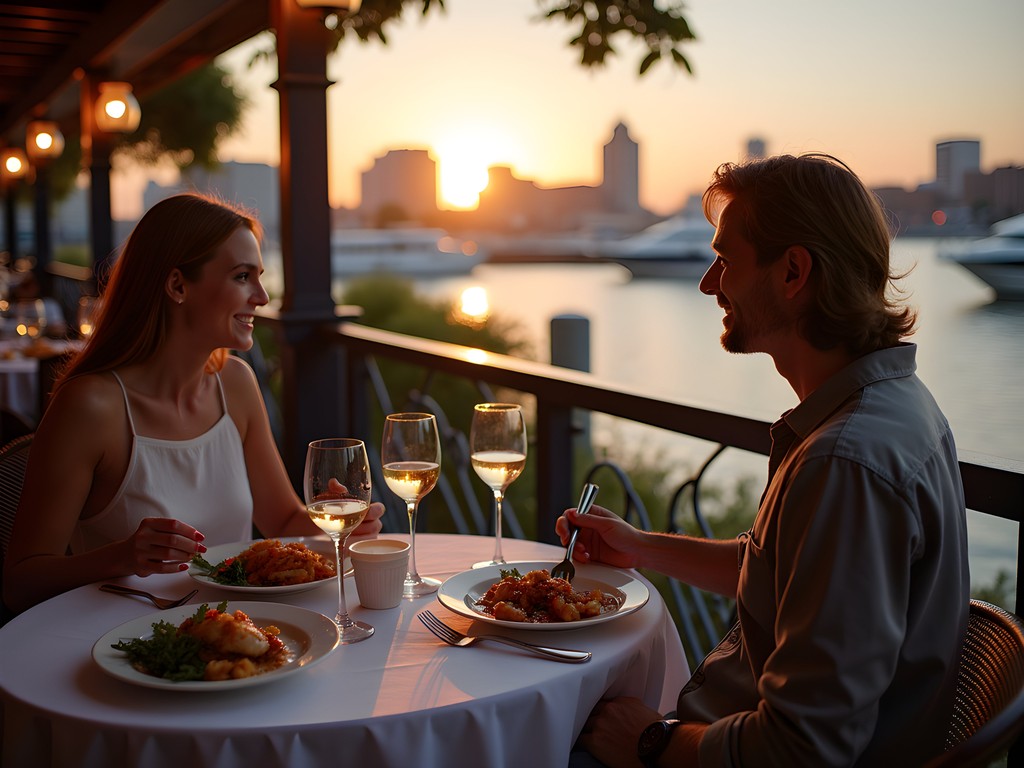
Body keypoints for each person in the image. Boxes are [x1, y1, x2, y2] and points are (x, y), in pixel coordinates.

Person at [560, 154, 970, 767]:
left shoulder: (843, 464)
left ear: (793, 272)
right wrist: (640, 547)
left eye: (725, 260)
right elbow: (786, 576)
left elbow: (805, 750)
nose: (708, 283)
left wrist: (652, 743)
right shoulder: (894, 402)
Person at [2, 193, 383, 614]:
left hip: (242, 634)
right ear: (178, 285)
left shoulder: (236, 384)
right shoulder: (91, 407)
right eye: (242, 277)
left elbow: (285, 521)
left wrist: (341, 526)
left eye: (259, 276)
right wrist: (122, 556)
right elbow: (19, 581)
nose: (261, 297)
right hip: (128, 650)